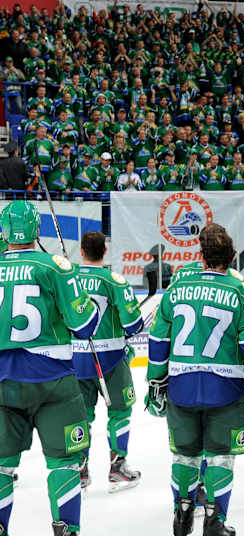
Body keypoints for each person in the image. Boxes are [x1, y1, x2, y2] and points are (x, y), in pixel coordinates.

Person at [146, 223, 244, 536]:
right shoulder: (242, 292)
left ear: (201, 257)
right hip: (225, 389)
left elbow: (158, 339)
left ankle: (182, 514)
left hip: (182, 387)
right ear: (231, 258)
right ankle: (214, 522)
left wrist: (155, 381)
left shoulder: (177, 288)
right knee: (220, 457)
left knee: (184, 454)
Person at [0, 200, 99, 536]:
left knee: (0, 466)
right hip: (53, 380)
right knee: (65, 462)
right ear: (36, 229)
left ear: (4, 232)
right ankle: (66, 529)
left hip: (2, 382)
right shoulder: (56, 266)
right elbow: (84, 324)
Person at [71, 231, 143, 492]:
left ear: (81, 251)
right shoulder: (115, 280)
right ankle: (117, 467)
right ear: (105, 251)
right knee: (120, 411)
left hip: (76, 359)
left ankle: (79, 470)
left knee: (81, 414)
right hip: (111, 358)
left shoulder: (69, 279)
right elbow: (133, 324)